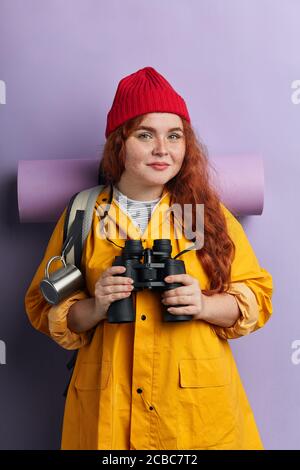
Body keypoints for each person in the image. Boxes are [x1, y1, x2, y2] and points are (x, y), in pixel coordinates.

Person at [24, 66, 273, 450]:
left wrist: (202, 304)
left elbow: (257, 297)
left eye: (174, 136)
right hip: (109, 415)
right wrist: (98, 305)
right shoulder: (83, 213)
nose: (163, 149)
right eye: (145, 135)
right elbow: (45, 307)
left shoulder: (206, 214)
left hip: (195, 416)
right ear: (119, 144)